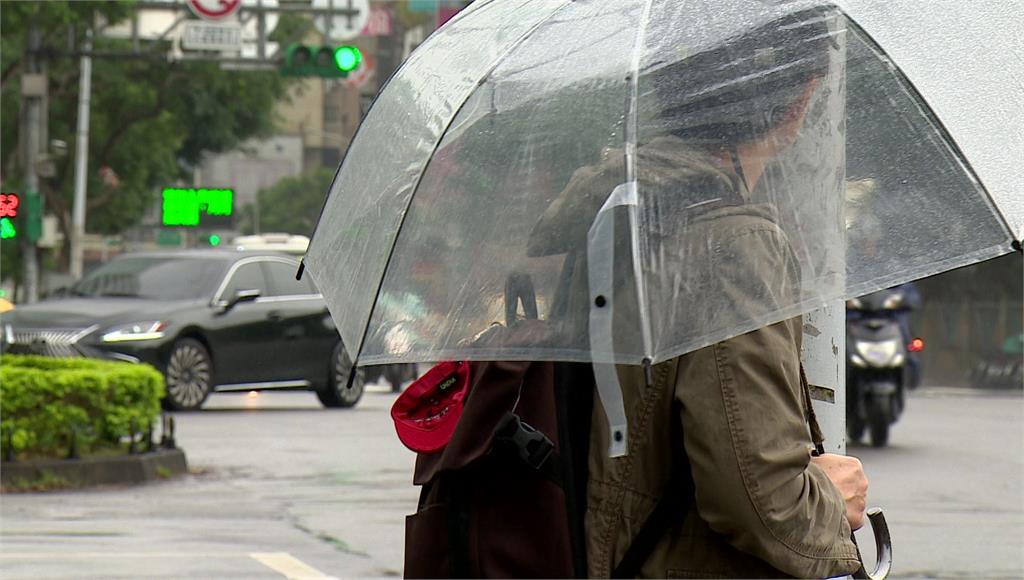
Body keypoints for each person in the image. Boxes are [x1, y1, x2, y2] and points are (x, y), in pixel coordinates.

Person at [528, 6, 869, 578]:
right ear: (802, 101)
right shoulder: (733, 245)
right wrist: (834, 503)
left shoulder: (616, 212)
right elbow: (762, 500)